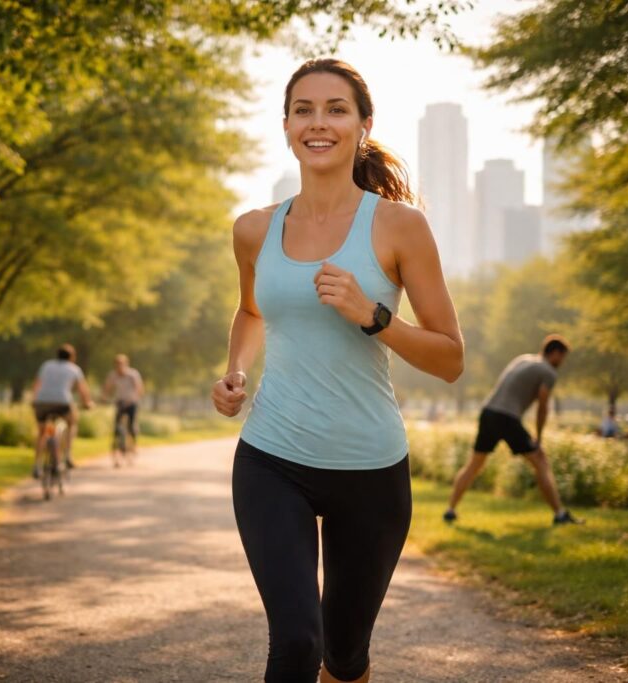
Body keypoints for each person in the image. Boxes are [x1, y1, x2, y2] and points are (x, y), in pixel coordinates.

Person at [211, 59, 463, 683]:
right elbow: (249, 311)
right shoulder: (253, 230)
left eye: (335, 109)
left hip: (370, 468)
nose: (317, 122)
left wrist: (372, 314)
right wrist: (235, 373)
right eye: (303, 109)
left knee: (344, 658)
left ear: (362, 124)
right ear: (287, 125)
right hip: (272, 458)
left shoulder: (400, 226)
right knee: (296, 643)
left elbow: (451, 358)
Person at [443, 335, 580, 525]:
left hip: (488, 412)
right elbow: (543, 405)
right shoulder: (548, 372)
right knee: (540, 461)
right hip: (507, 417)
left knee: (475, 464)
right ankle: (560, 514)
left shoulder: (523, 359)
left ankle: (450, 510)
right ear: (555, 353)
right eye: (563, 357)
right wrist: (538, 439)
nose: (563, 362)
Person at [31, 343, 93, 477]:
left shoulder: (46, 365)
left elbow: (37, 384)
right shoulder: (74, 369)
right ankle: (67, 455)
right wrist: (87, 403)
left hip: (42, 402)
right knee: (72, 423)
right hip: (62, 402)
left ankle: (37, 465)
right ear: (72, 357)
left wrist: (34, 400)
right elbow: (83, 390)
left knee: (42, 433)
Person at [103, 354, 144, 467]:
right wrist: (104, 397)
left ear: (126, 364)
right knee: (116, 429)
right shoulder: (113, 375)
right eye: (117, 364)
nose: (119, 367)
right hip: (120, 402)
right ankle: (117, 453)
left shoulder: (133, 374)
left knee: (131, 426)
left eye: (121, 364)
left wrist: (135, 398)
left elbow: (139, 388)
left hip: (132, 402)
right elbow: (107, 387)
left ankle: (133, 445)